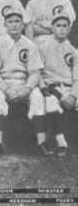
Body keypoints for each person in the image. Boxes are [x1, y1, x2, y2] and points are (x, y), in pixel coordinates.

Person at [0, 8, 49, 157]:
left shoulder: (30, 45)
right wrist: (6, 89)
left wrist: (27, 88)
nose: (14, 25)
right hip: (2, 82)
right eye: (10, 22)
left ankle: (42, 143)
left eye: (17, 22)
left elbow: (34, 72)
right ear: (5, 25)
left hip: (23, 82)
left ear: (22, 25)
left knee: (38, 98)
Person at [37, 13, 78, 158]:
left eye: (64, 26)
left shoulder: (74, 51)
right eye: (58, 26)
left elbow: (77, 79)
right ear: (52, 28)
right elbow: (38, 73)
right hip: (51, 88)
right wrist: (44, 88)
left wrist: (73, 96)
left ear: (69, 29)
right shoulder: (43, 47)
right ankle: (62, 144)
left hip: (70, 88)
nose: (61, 29)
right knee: (51, 105)